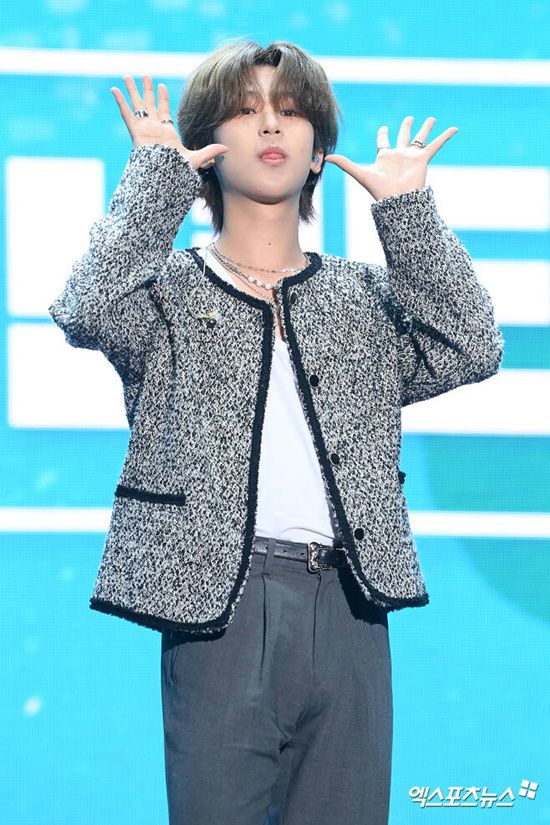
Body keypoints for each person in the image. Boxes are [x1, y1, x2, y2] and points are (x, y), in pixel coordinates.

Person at [48, 38, 504, 825]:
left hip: (351, 604)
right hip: (220, 604)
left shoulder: (361, 298)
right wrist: (157, 175)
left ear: (318, 149)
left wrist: (407, 213)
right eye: (246, 110)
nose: (270, 126)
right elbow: (85, 308)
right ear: (207, 145)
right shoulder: (165, 294)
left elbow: (472, 345)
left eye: (290, 112)